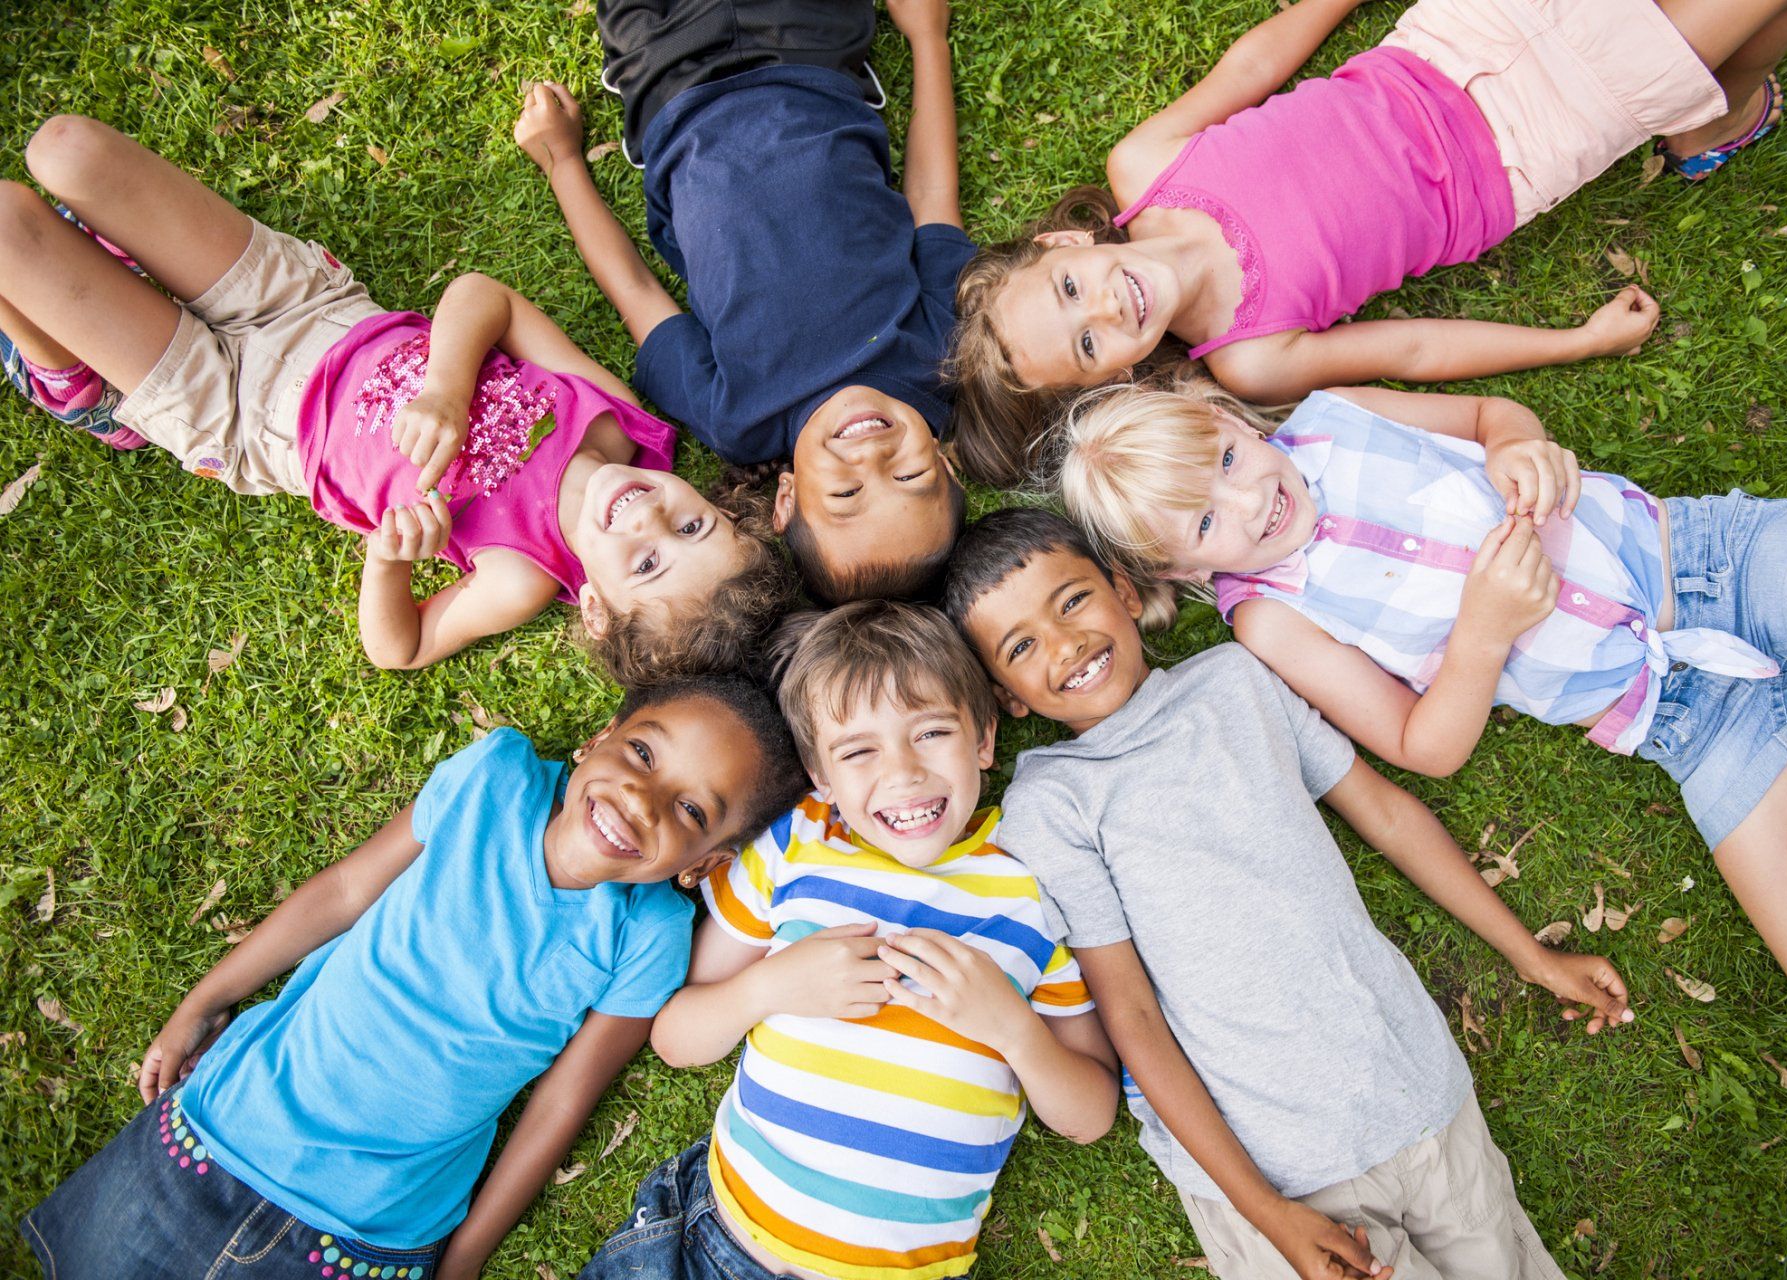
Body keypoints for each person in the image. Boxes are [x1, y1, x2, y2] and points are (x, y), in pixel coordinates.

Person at [1053, 373, 1787, 1058]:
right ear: (1178, 572)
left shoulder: (1334, 414)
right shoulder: (1271, 618)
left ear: (1229, 420)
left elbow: (1486, 413)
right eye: (1205, 522)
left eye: (1227, 463)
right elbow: (1420, 747)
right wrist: (1483, 633)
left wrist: (1517, 445)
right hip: (1688, 717)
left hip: (1706, 563)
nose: (1248, 504)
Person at [944, 508, 1633, 1280]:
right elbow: (1131, 1019)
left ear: (1125, 591)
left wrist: (1530, 955)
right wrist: (1263, 1210)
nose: (1064, 643)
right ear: (1007, 698)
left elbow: (1387, 815)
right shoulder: (1055, 803)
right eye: (1022, 646)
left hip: (1421, 1102)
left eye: (1071, 600)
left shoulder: (1237, 681)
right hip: (1279, 1180)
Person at [19, 674, 810, 1280]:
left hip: (366, 1234)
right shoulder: (494, 781)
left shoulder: (649, 936)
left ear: (703, 865)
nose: (641, 798)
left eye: (691, 811)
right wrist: (204, 1000)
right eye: (642, 752)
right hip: (219, 1135)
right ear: (600, 738)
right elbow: (344, 891)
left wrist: (466, 1256)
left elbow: (561, 1103)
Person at [0, 114, 792, 676]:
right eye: (694, 523)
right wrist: (449, 386)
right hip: (308, 307)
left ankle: (85, 391)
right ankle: (97, 306)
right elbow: (490, 298)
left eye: (649, 562)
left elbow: (400, 647)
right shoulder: (618, 422)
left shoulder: (520, 577)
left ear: (597, 609)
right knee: (64, 149)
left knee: (8, 224)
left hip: (241, 417)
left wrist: (386, 561)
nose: (652, 516)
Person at [943, 0, 1787, 484]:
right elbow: (1415, 345)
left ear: (1064, 242)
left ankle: (1719, 119)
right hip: (1526, 146)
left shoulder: (1145, 167)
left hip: (1452, 39)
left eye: (1068, 291)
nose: (1103, 308)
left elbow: (1251, 70)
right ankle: (1716, 118)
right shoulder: (1249, 358)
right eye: (1088, 344)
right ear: (1119, 379)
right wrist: (1575, 341)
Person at [582, 600, 1117, 1280]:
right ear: (823, 779)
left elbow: (1091, 1114)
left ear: (983, 738)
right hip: (717, 1244)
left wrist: (1014, 1031)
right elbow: (675, 1037)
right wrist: (771, 987)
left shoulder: (1030, 889)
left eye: (930, 733)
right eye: (859, 751)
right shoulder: (801, 844)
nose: (901, 772)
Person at [515, 0, 976, 603]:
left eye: (846, 494)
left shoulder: (738, 418)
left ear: (788, 497)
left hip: (669, 83)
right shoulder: (941, 353)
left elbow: (635, 290)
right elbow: (933, 197)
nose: (872, 457)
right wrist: (926, 37)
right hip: (811, 49)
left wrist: (563, 162)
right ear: (945, 464)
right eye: (909, 475)